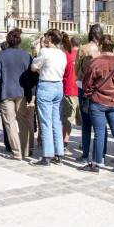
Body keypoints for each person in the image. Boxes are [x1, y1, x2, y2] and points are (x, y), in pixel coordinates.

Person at [79, 35, 114, 174]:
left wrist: (89, 93)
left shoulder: (96, 62)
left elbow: (86, 83)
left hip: (98, 100)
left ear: (100, 46)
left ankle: (96, 163)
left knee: (99, 132)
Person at [0, 28, 32, 160]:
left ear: (7, 41)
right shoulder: (26, 55)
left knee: (9, 122)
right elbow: (32, 75)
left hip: (6, 91)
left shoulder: (1, 56)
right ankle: (25, 150)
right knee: (23, 121)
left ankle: (17, 151)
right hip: (22, 91)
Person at [30, 29, 67, 167]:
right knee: (57, 121)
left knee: (46, 122)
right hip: (58, 85)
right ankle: (59, 154)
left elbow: (34, 67)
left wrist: (40, 67)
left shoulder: (45, 52)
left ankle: (47, 155)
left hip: (46, 85)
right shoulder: (62, 54)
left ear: (49, 38)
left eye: (46, 36)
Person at [75, 24, 106, 164]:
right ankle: (102, 153)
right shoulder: (104, 50)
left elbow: (77, 70)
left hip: (85, 86)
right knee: (101, 123)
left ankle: (86, 153)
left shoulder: (83, 48)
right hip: (102, 87)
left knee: (86, 122)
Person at [62, 35, 82, 151]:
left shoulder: (66, 55)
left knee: (67, 120)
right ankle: (84, 142)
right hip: (82, 91)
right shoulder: (83, 55)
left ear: (71, 43)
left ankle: (65, 143)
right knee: (84, 120)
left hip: (69, 90)